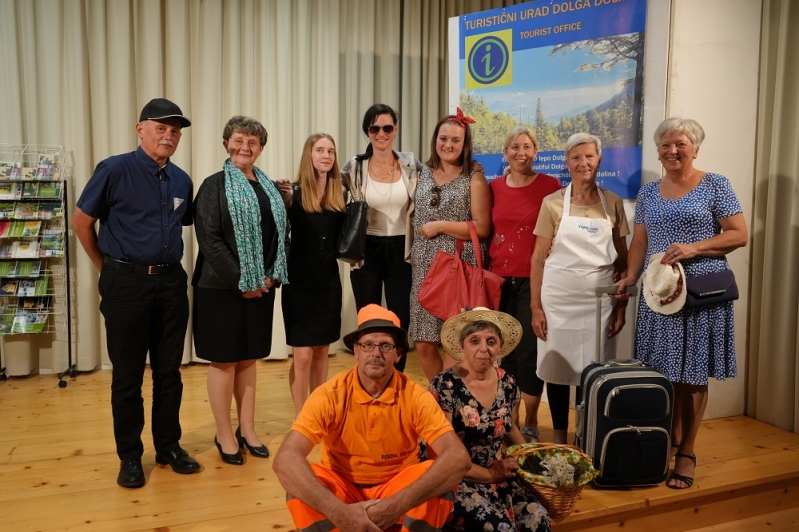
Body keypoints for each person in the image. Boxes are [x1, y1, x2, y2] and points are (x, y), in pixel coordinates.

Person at [72, 98, 199, 488]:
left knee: (169, 372)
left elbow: (186, 221)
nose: (169, 135)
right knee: (127, 376)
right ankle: (129, 455)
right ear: (140, 129)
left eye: (175, 131)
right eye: (161, 128)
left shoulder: (181, 180)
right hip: (125, 283)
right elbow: (81, 222)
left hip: (171, 283)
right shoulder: (113, 169)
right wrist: (107, 269)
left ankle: (168, 446)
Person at [614, 118, 747, 489]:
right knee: (661, 372)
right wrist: (629, 278)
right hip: (659, 292)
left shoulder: (715, 184)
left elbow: (739, 234)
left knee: (691, 375)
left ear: (695, 149)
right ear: (658, 151)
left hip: (701, 293)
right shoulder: (648, 193)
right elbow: (640, 243)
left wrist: (694, 248)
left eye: (681, 144)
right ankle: (667, 441)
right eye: (666, 145)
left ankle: (687, 451)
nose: (672, 151)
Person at [272, 304, 471, 532]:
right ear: (356, 351)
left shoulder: (415, 396)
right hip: (343, 489)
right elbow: (285, 459)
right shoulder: (330, 394)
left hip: (397, 488)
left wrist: (394, 506)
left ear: (398, 354)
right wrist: (341, 513)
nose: (376, 353)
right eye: (367, 345)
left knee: (437, 482)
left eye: (385, 345)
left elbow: (458, 458)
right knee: (301, 485)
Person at [192, 116, 289, 465]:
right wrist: (242, 281)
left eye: (252, 142)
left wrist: (271, 276)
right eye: (238, 140)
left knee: (248, 359)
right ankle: (223, 433)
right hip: (221, 289)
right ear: (226, 144)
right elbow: (210, 241)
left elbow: (281, 235)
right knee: (224, 361)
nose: (244, 147)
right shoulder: (213, 186)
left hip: (262, 287)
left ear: (260, 148)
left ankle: (247, 429)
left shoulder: (270, 189)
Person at [530, 133, 630, 445]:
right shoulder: (552, 203)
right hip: (557, 301)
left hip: (599, 303)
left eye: (589, 156)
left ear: (599, 160)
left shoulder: (613, 203)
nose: (583, 163)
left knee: (594, 370)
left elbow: (623, 260)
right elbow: (538, 259)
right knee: (558, 369)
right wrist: (535, 308)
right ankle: (560, 438)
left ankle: (588, 435)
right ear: (567, 162)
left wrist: (622, 305)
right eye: (576, 157)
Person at [431, 308, 551, 532]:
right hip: (457, 477)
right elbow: (442, 451)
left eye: (491, 341)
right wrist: (489, 476)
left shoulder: (508, 382)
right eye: (474, 341)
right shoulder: (445, 384)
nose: (483, 349)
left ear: (500, 347)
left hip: (498, 472)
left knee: (538, 519)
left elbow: (510, 428)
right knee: (497, 527)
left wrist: (534, 463)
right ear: (462, 346)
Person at [489, 126, 562, 443]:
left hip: (534, 280)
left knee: (529, 352)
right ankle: (511, 420)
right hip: (498, 280)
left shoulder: (551, 186)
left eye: (527, 146)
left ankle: (531, 420)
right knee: (504, 352)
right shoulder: (493, 187)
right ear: (505, 152)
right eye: (515, 147)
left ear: (536, 152)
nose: (521, 152)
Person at [409, 108, 492, 380]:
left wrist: (441, 226)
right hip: (424, 267)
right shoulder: (422, 173)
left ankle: (451, 398)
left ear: (464, 144)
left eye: (456, 140)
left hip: (457, 267)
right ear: (435, 139)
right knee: (423, 341)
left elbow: (482, 227)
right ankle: (438, 395)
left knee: (454, 342)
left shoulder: (473, 178)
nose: (448, 145)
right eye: (443, 138)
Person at [341, 104, 421, 372]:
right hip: (366, 249)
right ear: (368, 131)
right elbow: (330, 193)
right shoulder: (355, 166)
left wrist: (471, 168)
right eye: (375, 128)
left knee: (400, 322)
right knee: (368, 320)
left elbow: (438, 180)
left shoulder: (411, 164)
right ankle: (369, 378)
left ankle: (396, 380)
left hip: (402, 249)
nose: (381, 133)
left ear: (395, 129)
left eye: (387, 127)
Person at [277, 133, 346, 416]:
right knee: (302, 356)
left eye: (330, 151)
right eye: (320, 150)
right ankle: (301, 417)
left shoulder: (339, 193)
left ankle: (318, 413)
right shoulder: (292, 192)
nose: (326, 156)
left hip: (328, 281)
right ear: (309, 154)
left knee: (321, 352)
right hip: (299, 281)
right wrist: (282, 198)